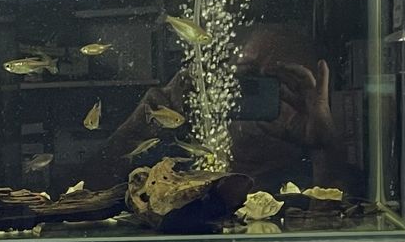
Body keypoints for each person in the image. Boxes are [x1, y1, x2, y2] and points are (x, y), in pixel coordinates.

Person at [96, 21, 355, 193]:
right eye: (247, 78)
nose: (259, 94)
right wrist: (140, 124)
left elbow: (345, 229)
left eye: (284, 84)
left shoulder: (314, 175)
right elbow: (78, 198)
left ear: (315, 96)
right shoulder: (171, 168)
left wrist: (324, 147)